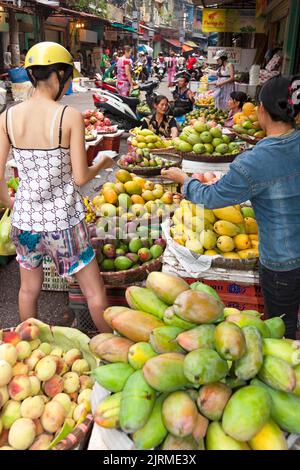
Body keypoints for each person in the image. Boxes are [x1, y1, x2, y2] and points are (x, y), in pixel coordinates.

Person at [162, 75, 300, 339]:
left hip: (282, 263)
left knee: (282, 330)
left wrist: (185, 181)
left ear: (261, 109)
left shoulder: (255, 161)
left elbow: (212, 197)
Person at [0, 41, 114, 332]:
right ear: (59, 74)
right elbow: (79, 178)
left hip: (25, 222)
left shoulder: (7, 117)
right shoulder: (68, 116)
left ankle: (30, 348)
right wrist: (102, 161)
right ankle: (110, 347)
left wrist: (10, 202)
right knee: (94, 291)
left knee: (28, 290)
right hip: (63, 223)